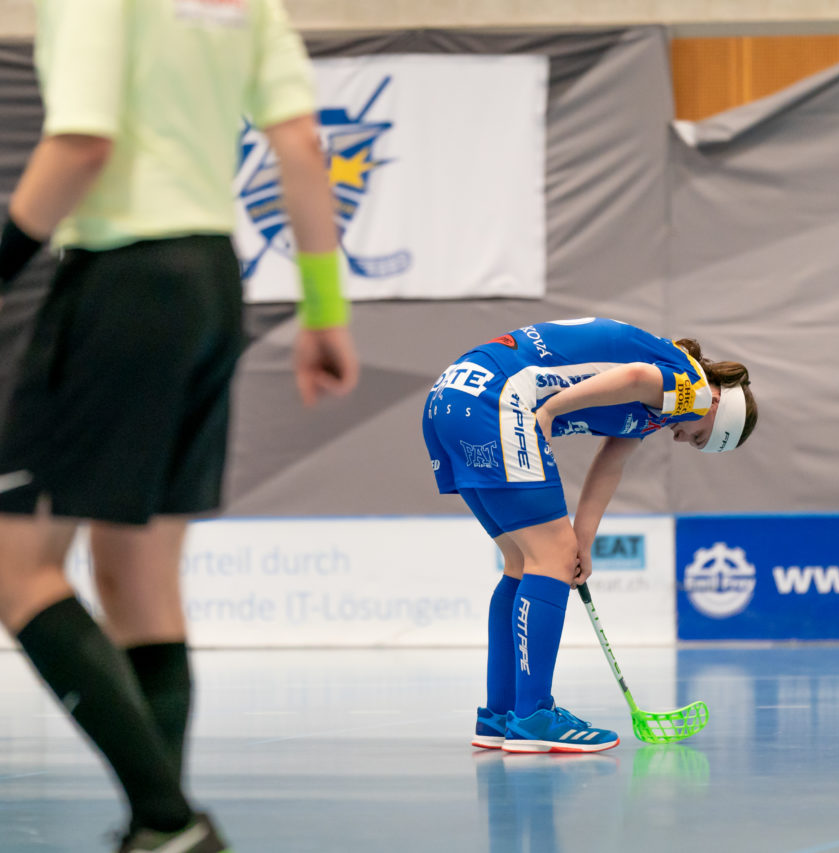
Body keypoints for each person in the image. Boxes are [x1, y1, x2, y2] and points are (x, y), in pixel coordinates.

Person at [0, 1, 359, 851]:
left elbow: (83, 143)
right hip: (207, 285)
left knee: (15, 568)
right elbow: (302, 147)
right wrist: (324, 309)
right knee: (140, 578)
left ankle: (169, 819)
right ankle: (159, 830)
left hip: (120, 281)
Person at [421, 317, 757, 753]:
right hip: (498, 400)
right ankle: (533, 717)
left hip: (451, 396)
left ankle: (500, 716)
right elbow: (634, 377)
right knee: (549, 559)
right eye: (699, 439)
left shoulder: (659, 405)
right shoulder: (693, 391)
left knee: (524, 563)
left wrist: (581, 541)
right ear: (718, 410)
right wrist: (550, 410)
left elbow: (610, 464)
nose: (683, 439)